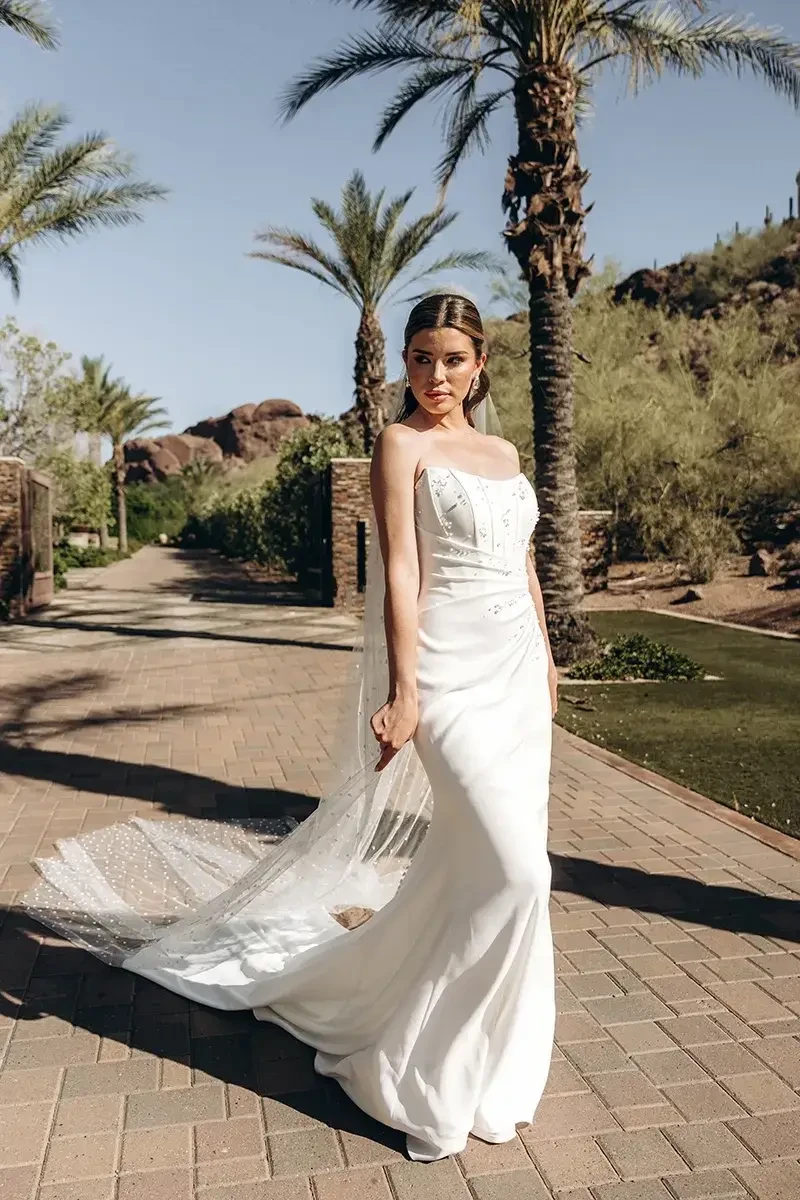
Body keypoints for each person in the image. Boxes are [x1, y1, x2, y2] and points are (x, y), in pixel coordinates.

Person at [24, 292, 557, 1163]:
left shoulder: (503, 453)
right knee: (520, 873)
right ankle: (417, 1060)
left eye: (453, 359)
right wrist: (406, 691)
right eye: (421, 358)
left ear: (481, 362)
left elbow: (524, 564)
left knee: (481, 867)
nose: (436, 376)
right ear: (406, 362)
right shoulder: (401, 444)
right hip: (450, 677)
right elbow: (399, 571)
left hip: (517, 678)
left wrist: (547, 659)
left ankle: (488, 1058)